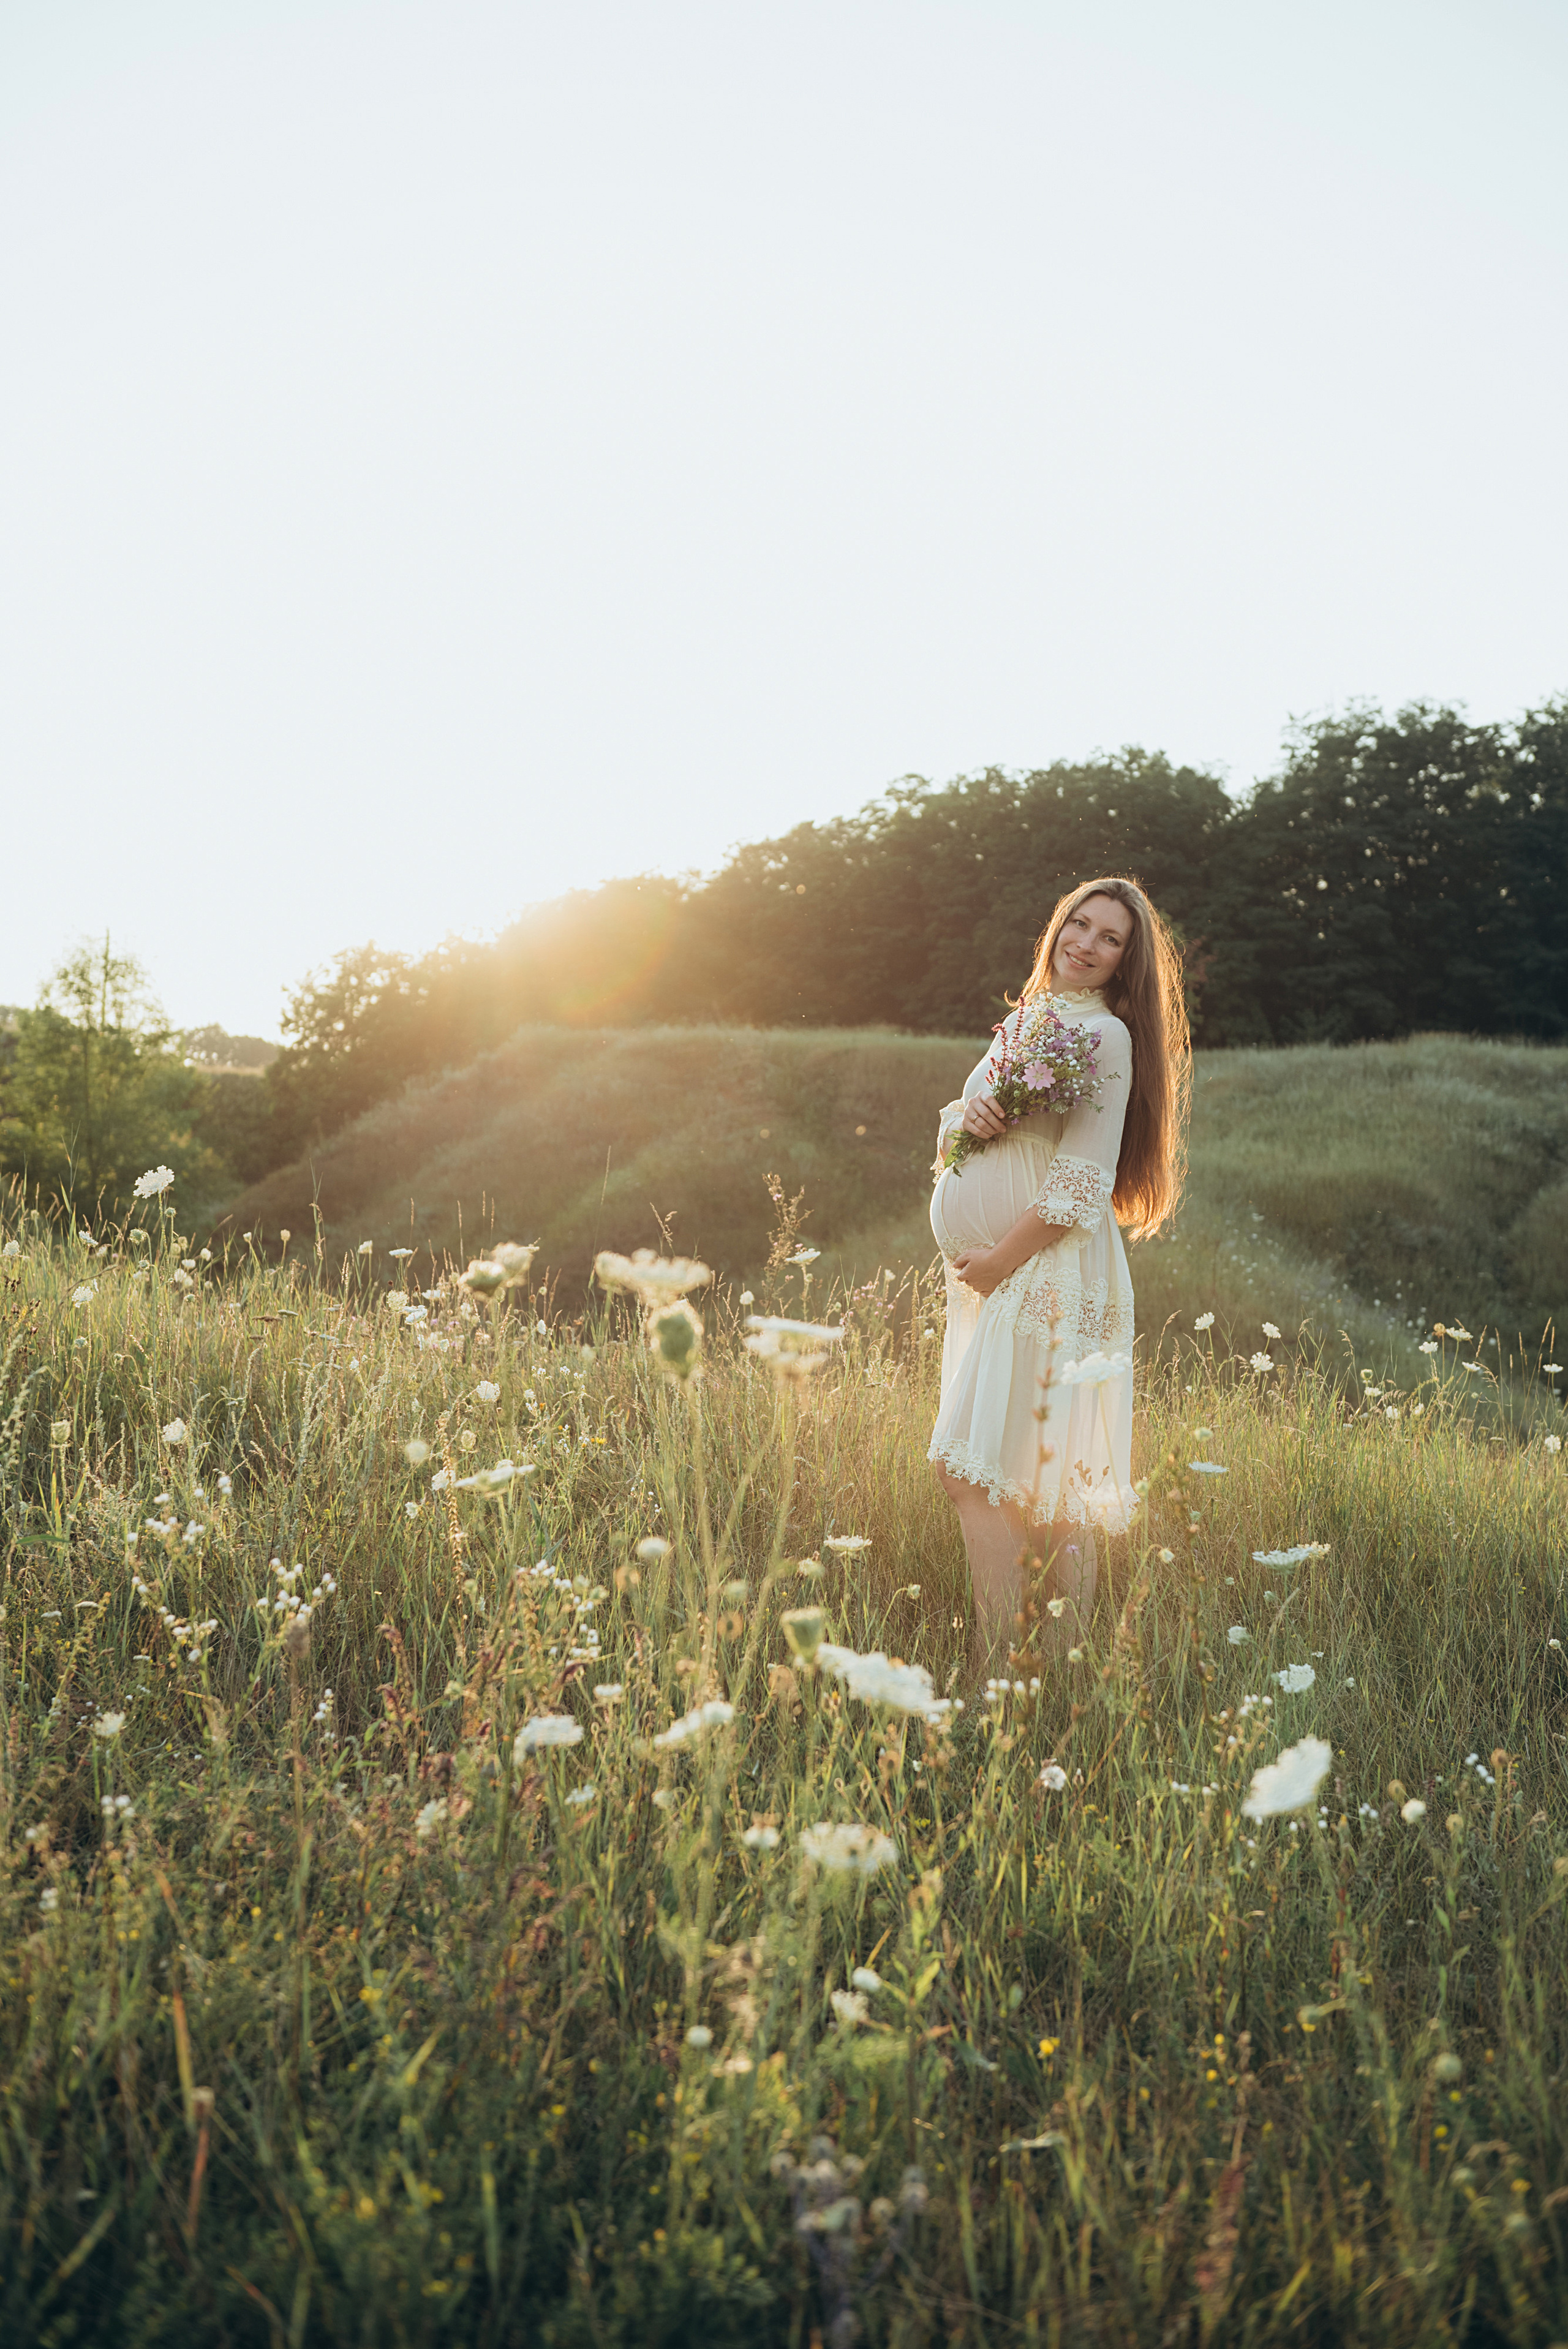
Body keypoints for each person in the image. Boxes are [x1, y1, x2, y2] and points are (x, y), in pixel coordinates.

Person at [928, 876, 1189, 1663]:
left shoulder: (1107, 1036)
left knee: (978, 1475)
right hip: (1001, 1273)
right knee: (1026, 1482)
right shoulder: (1027, 1018)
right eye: (1079, 924)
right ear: (1057, 926)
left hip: (1045, 1265)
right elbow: (958, 1145)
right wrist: (962, 1117)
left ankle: (999, 1679)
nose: (1085, 943)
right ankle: (1049, 1678)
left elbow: (1081, 1182)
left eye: (1109, 938)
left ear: (1125, 963)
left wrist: (1000, 1263)